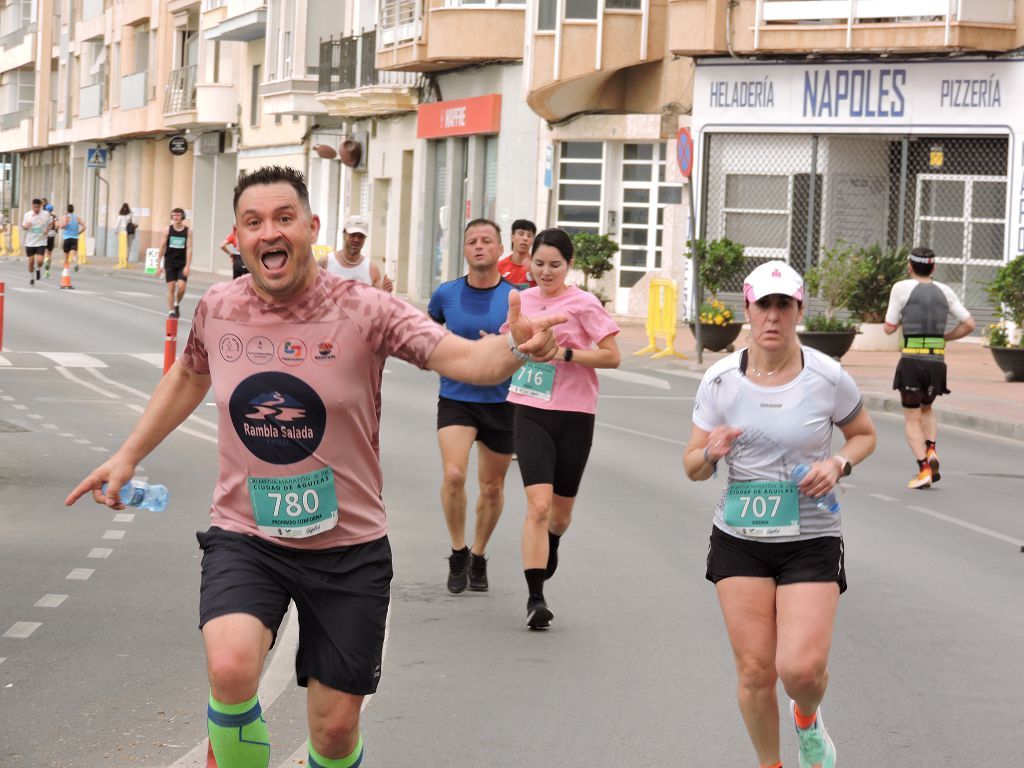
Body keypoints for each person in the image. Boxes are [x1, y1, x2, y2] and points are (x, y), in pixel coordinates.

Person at [65, 165, 564, 768]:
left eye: (283, 218)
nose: (269, 232)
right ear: (238, 238)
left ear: (311, 228)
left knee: (332, 734)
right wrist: (127, 455)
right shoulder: (220, 307)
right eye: (254, 222)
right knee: (230, 666)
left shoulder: (367, 309)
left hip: (348, 547)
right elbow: (189, 375)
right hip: (247, 534)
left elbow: (465, 360)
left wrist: (514, 347)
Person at [683, 260, 877, 768]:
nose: (772, 316)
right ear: (746, 309)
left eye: (783, 305)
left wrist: (838, 463)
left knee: (802, 671)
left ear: (799, 310)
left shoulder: (827, 376)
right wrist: (710, 454)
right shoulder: (721, 379)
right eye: (763, 305)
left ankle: (807, 717)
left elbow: (864, 436)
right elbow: (692, 467)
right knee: (754, 672)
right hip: (740, 536)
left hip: (811, 535)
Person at [503, 228, 621, 630]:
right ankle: (536, 598)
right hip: (530, 410)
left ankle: (552, 541)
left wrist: (565, 353)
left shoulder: (584, 303)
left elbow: (612, 356)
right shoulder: (521, 302)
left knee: (560, 516)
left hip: (575, 414)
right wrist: (511, 346)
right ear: (528, 262)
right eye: (539, 263)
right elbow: (506, 352)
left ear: (569, 266)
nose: (546, 272)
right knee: (537, 505)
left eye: (555, 265)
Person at [427, 219, 518, 594]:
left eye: (487, 241)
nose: (479, 246)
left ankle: (479, 553)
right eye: (471, 242)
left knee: (493, 487)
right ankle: (457, 549)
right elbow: (424, 335)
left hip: (502, 402)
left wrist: (502, 344)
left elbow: (533, 343)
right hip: (456, 398)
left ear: (500, 250)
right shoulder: (445, 295)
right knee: (453, 474)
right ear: (464, 250)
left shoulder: (517, 296)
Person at [883, 246, 975, 489]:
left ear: (910, 267)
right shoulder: (945, 291)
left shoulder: (901, 288)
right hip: (937, 362)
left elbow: (889, 327)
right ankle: (931, 449)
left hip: (912, 360)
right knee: (927, 408)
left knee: (911, 418)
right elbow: (969, 324)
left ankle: (924, 468)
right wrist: (946, 337)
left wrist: (904, 318)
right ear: (933, 267)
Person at [318, 215, 393, 292]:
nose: (356, 240)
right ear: (344, 234)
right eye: (353, 235)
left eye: (361, 236)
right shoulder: (325, 263)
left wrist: (385, 291)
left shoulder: (372, 270)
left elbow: (379, 298)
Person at [158, 207, 193, 318]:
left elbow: (189, 248)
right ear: (171, 217)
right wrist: (158, 264)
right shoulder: (167, 230)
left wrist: (187, 265)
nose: (176, 217)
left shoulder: (188, 231)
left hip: (182, 262)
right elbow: (162, 247)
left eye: (178, 215)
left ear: (182, 216)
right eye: (174, 215)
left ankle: (176, 303)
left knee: (182, 287)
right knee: (171, 286)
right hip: (170, 262)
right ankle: (171, 311)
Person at [497, 219, 537, 290]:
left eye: (529, 235)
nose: (525, 238)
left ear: (533, 240)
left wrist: (535, 275)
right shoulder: (499, 267)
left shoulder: (538, 266)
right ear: (512, 237)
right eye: (521, 234)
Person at [21, 198, 49, 286]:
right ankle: (31, 278)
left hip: (41, 241)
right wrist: (26, 226)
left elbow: (50, 224)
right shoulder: (27, 215)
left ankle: (38, 269)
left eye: (38, 207)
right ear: (32, 206)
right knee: (31, 261)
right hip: (30, 242)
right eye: (35, 207)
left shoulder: (46, 214)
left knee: (40, 260)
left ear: (41, 206)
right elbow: (23, 227)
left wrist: (47, 230)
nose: (36, 209)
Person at [60, 204, 86, 284]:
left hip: (67, 238)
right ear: (73, 210)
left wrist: (62, 225)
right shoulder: (77, 218)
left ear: (67, 210)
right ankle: (75, 261)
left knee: (66, 257)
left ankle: (66, 271)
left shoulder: (66, 217)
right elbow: (84, 226)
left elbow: (62, 226)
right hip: (75, 238)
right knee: (74, 253)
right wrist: (79, 233)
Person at [43, 201, 58, 277]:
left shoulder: (43, 216)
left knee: (45, 252)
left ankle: (45, 260)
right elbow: (57, 225)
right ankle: (47, 270)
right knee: (50, 253)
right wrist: (55, 230)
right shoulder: (54, 217)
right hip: (52, 236)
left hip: (45, 235)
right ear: (52, 210)